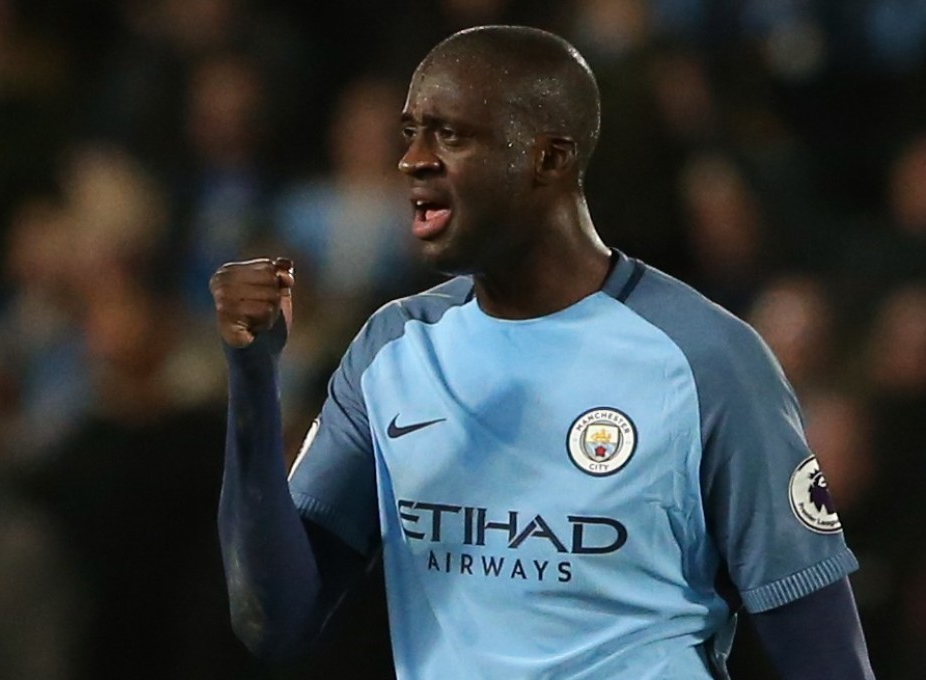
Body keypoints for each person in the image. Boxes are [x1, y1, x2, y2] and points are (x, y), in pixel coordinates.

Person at [208, 25, 875, 679]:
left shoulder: (707, 360)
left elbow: (821, 650)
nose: (412, 160)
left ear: (550, 159)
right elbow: (275, 622)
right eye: (411, 133)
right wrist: (252, 378)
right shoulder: (394, 350)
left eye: (451, 134)